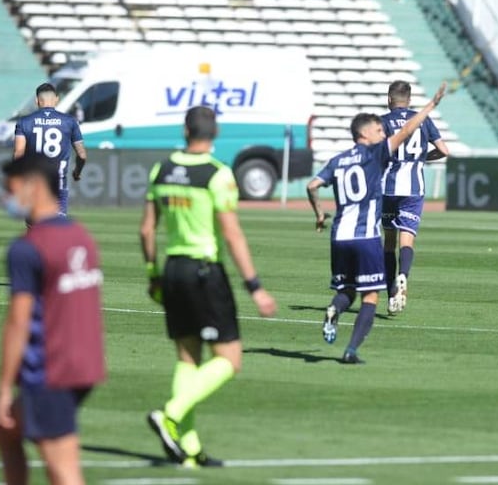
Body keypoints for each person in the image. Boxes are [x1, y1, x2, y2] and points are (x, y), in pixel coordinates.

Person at [140, 106, 277, 467]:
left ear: (185, 130)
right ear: (215, 133)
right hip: (204, 272)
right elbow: (232, 234)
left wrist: (153, 274)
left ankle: (189, 450)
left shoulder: (161, 169)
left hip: (172, 270)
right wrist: (255, 286)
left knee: (187, 358)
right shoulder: (217, 174)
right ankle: (170, 414)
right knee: (229, 360)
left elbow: (146, 230)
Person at [306, 83, 446, 364]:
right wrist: (431, 105)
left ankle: (335, 309)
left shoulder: (338, 160)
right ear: (365, 134)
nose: (383, 134)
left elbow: (312, 186)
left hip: (340, 234)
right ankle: (352, 349)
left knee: (347, 289)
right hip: (369, 233)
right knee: (371, 295)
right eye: (379, 132)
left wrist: (320, 215)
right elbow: (409, 133)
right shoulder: (375, 154)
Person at [0, 154, 106, 485]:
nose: (6, 198)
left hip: (51, 371)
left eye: (10, 188)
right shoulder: (81, 235)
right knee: (7, 428)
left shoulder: (27, 248)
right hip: (85, 365)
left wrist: (4, 387)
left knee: (63, 470)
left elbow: (18, 322)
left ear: (33, 186)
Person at [380, 80, 450, 314]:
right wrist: (421, 157)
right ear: (409, 100)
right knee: (406, 239)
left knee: (389, 242)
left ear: (389, 99)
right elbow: (444, 150)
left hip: (388, 187)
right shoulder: (422, 119)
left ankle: (391, 294)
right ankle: (403, 275)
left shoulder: (383, 121)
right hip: (413, 187)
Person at [12, 83, 86, 217]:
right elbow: (82, 155)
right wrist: (77, 172)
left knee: (35, 229)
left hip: (34, 185)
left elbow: (18, 154)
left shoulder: (24, 122)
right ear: (56, 99)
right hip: (58, 185)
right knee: (56, 228)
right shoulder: (70, 122)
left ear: (37, 100)